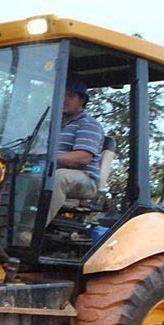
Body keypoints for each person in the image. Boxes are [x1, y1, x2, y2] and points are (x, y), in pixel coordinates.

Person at [48, 76, 104, 223]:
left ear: (82, 100)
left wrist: (47, 156)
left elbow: (83, 158)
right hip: (51, 173)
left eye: (70, 96)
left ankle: (29, 233)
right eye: (62, 95)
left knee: (58, 177)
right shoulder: (52, 125)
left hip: (85, 179)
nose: (64, 99)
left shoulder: (89, 124)